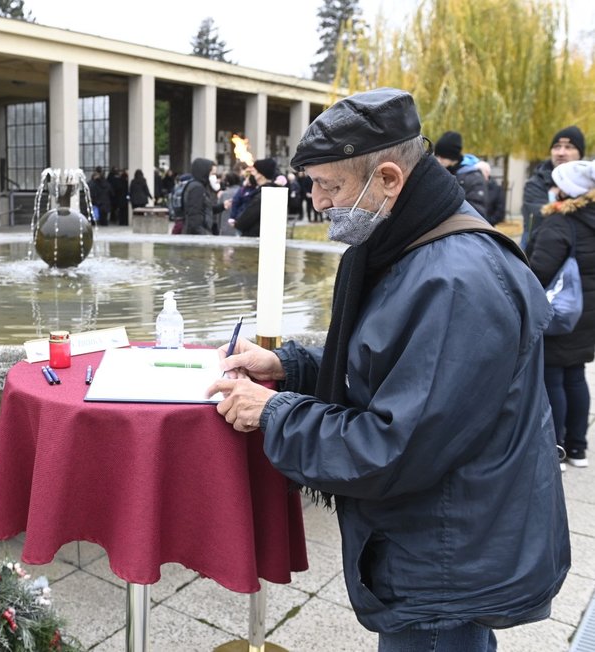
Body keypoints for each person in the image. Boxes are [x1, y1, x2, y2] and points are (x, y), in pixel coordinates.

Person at [206, 87, 569, 651]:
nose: (320, 203)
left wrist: (276, 411)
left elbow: (392, 444)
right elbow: (399, 366)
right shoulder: (414, 240)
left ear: (390, 179)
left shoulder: (456, 280)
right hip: (440, 536)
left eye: (331, 186)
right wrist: (290, 363)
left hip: (446, 558)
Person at [526, 160, 595, 470]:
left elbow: (538, 270)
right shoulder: (590, 219)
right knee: (575, 376)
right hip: (587, 312)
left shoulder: (559, 222)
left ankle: (558, 445)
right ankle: (579, 447)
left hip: (560, 312)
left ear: (567, 190)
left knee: (553, 376)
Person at [522, 125, 585, 248]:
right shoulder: (535, 183)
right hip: (539, 253)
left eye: (568, 147)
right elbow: (543, 221)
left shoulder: (590, 184)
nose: (561, 153)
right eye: (557, 147)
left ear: (580, 153)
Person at [433, 131, 489, 218]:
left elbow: (477, 212)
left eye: (443, 157)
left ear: (452, 156)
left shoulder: (473, 177)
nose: (439, 160)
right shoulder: (440, 172)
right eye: (437, 156)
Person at [229, 157, 281, 238]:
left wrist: (237, 223)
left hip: (255, 238)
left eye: (255, 171)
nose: (252, 174)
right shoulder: (272, 191)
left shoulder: (263, 194)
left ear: (261, 175)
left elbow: (246, 219)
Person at [182, 158, 230, 235]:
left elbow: (206, 208)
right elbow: (195, 217)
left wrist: (222, 206)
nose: (214, 177)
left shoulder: (198, 186)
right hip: (198, 236)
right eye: (212, 174)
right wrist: (205, 236)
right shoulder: (197, 188)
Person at [477, 160, 506, 225]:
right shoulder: (471, 187)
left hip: (489, 226)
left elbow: (500, 212)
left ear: (487, 173)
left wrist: (487, 222)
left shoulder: (496, 189)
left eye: (479, 172)